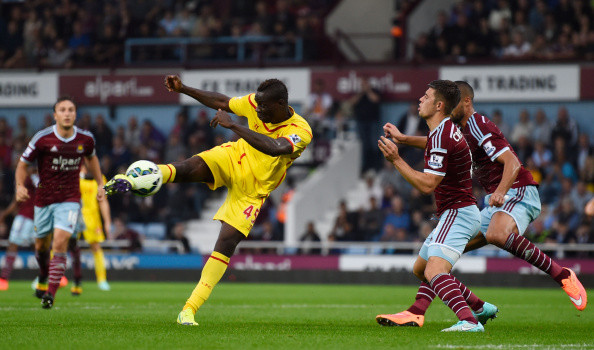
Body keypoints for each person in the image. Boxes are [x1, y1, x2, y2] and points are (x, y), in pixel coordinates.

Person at [104, 75, 312, 326]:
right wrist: (184, 89)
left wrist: (234, 126)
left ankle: (189, 309)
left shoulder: (301, 130)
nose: (258, 110)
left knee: (226, 242)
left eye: (264, 107)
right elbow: (222, 101)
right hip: (234, 157)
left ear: (280, 104)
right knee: (188, 168)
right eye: (257, 105)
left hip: (253, 190)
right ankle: (133, 181)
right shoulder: (257, 103)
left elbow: (275, 147)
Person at [378, 81, 587, 327]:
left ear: (466, 102)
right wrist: (403, 139)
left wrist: (500, 191)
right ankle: (456, 308)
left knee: (497, 234)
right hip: (494, 203)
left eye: (455, 103)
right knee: (437, 259)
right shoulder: (457, 128)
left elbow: (512, 163)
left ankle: (562, 274)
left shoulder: (478, 124)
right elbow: (436, 142)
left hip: (518, 192)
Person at [377, 80, 487, 332]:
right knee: (422, 269)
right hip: (461, 211)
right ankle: (478, 306)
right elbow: (433, 143)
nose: (420, 100)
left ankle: (469, 321)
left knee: (435, 269)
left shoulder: (442, 135)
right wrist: (403, 139)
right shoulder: (445, 130)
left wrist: (396, 158)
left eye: (425, 96)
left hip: (458, 213)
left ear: (438, 105)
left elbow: (427, 185)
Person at [16, 96, 104, 309]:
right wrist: (20, 186)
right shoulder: (42, 138)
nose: (67, 113)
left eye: (71, 109)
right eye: (62, 110)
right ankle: (44, 275)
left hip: (70, 199)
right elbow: (22, 164)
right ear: (55, 115)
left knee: (61, 241)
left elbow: (92, 158)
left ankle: (50, 294)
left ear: (75, 114)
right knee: (41, 247)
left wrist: (100, 182)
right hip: (44, 200)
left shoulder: (86, 139)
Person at [70, 163, 113, 295]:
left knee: (95, 246)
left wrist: (107, 221)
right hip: (72, 214)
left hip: (92, 216)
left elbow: (103, 200)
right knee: (61, 244)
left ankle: (101, 280)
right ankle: (49, 276)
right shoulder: (73, 174)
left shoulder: (99, 178)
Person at [0, 169, 38, 291]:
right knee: (38, 247)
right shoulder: (35, 178)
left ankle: (3, 279)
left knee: (13, 245)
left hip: (25, 216)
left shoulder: (28, 178)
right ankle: (52, 276)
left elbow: (18, 199)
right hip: (37, 217)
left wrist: (4, 214)